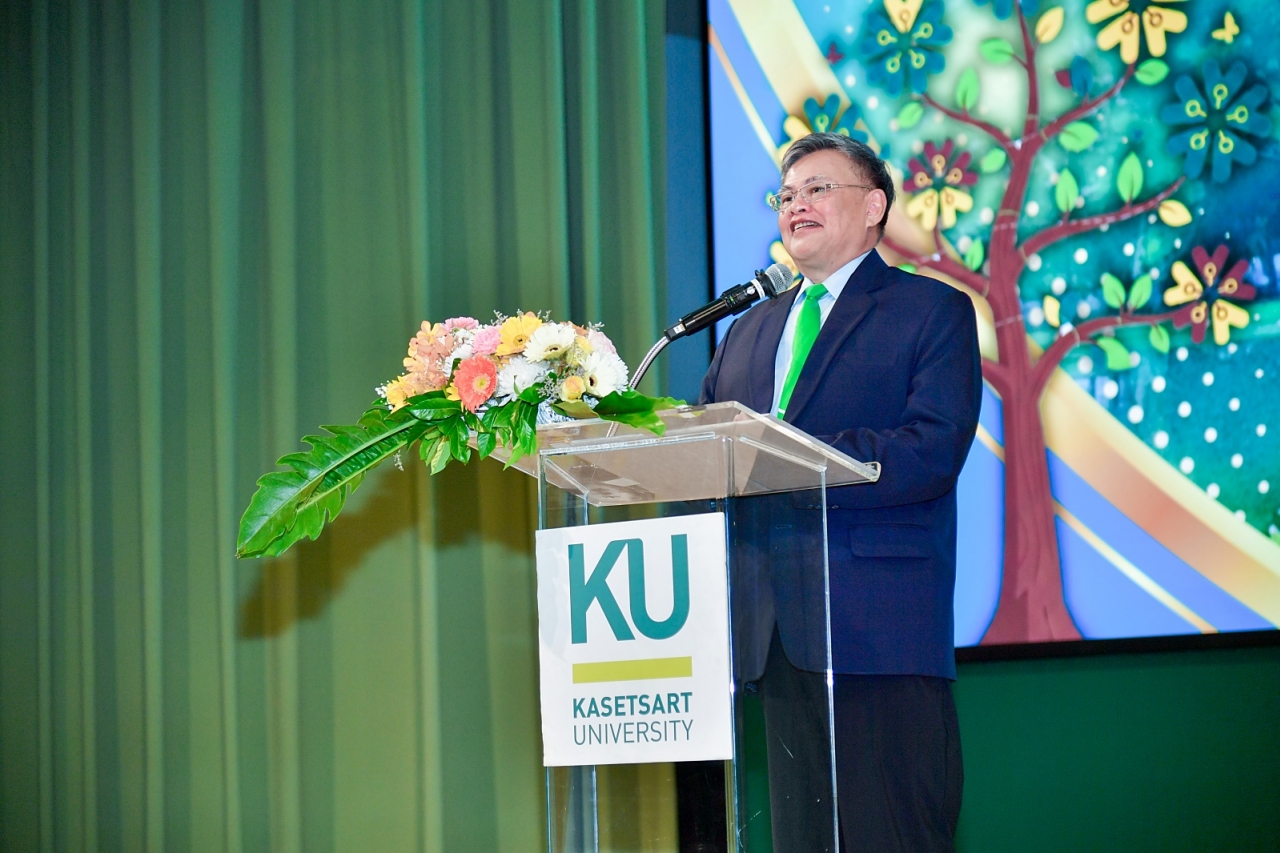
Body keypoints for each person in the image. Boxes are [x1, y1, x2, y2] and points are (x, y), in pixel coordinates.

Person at [699, 132, 981, 851]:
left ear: (874, 206)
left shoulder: (930, 311)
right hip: (773, 632)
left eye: (818, 188)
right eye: (786, 195)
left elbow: (933, 448)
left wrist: (794, 460)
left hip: (879, 629)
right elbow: (706, 454)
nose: (796, 204)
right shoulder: (746, 331)